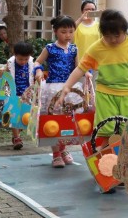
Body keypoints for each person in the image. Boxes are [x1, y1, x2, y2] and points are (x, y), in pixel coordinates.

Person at [55, 9, 128, 182]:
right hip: (106, 94)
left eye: (117, 36)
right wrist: (66, 87)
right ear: (102, 34)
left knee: (127, 133)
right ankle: (105, 169)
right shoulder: (97, 47)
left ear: (124, 31)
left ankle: (124, 168)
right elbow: (80, 69)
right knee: (105, 131)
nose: (113, 40)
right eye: (108, 36)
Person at [34, 15, 79, 168]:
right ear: (55, 31)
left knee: (68, 120)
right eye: (64, 32)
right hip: (53, 89)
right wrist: (38, 71)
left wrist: (86, 72)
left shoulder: (74, 49)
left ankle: (64, 149)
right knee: (54, 121)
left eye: (71, 32)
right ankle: (56, 153)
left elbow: (79, 67)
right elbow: (37, 61)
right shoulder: (50, 48)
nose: (68, 35)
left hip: (71, 89)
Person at [0, 41, 35, 150]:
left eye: (25, 59)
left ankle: (17, 132)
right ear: (15, 55)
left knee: (25, 115)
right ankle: (16, 138)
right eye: (20, 59)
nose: (23, 61)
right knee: (14, 114)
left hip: (26, 93)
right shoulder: (10, 62)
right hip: (13, 93)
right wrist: (2, 70)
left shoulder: (31, 62)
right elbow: (5, 68)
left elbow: (36, 71)